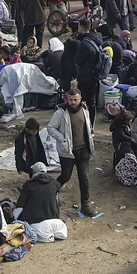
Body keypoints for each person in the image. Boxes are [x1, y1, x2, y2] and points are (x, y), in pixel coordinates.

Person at [47, 87, 96, 216]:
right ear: (67, 99)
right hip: (67, 151)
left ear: (80, 99)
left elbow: (88, 127)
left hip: (83, 149)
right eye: (70, 100)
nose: (73, 102)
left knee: (84, 178)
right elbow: (51, 127)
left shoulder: (85, 109)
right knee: (65, 176)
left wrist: (91, 145)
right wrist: (62, 139)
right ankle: (50, 192)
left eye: (75, 100)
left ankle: (85, 205)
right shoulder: (61, 112)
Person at [74, 19, 104, 127]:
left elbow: (78, 61)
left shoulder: (85, 44)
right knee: (92, 102)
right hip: (95, 75)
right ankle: (91, 125)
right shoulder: (96, 39)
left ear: (81, 27)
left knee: (85, 102)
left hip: (86, 77)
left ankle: (87, 125)